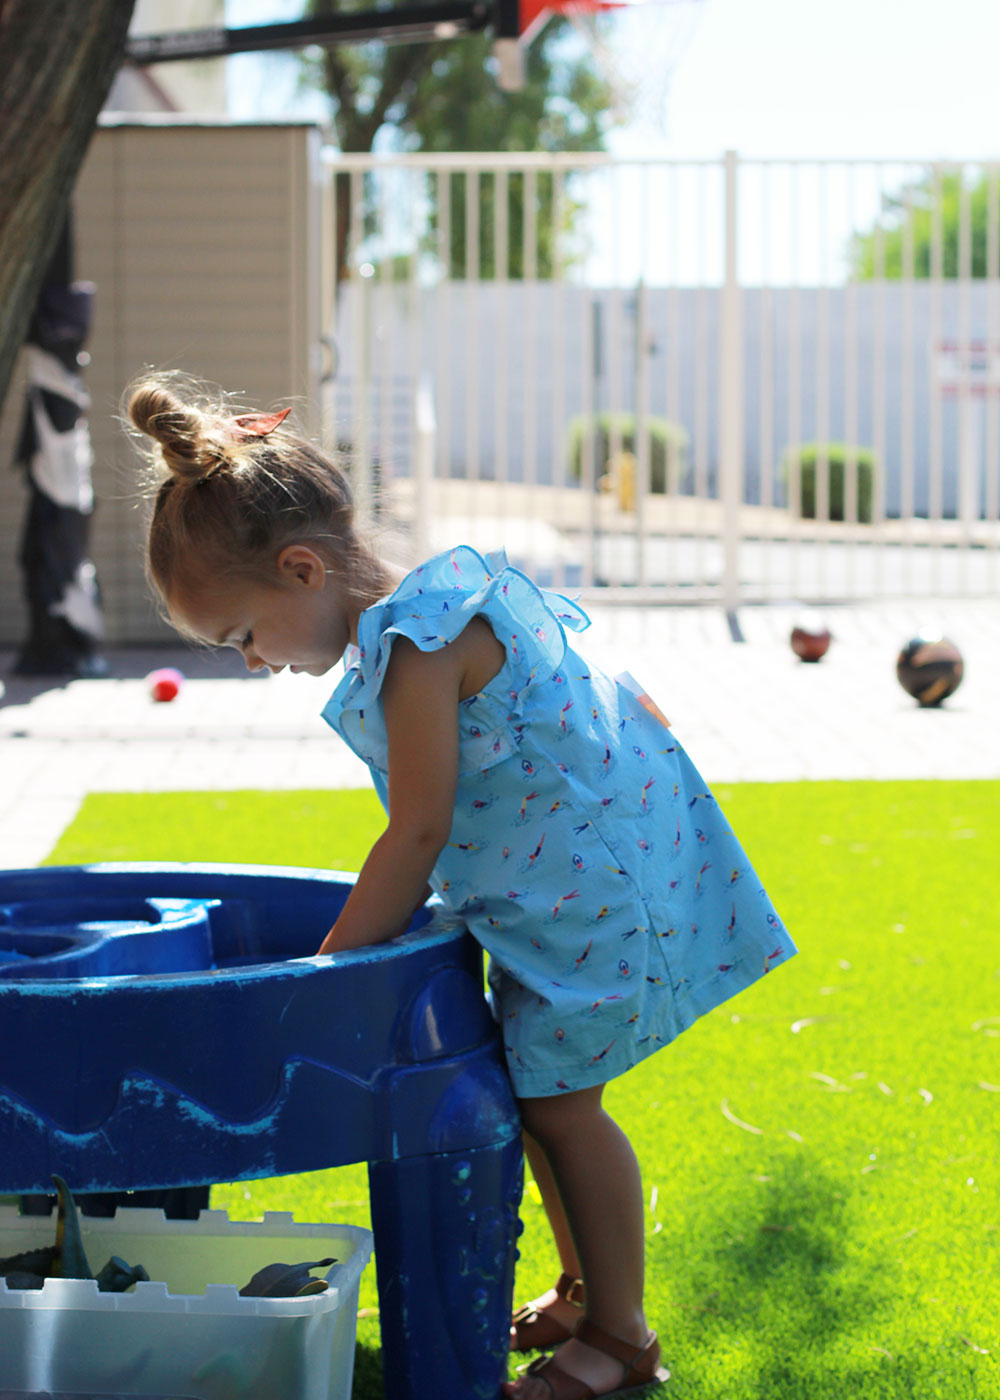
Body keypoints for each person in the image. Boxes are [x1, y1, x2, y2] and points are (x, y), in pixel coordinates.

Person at [127, 372, 797, 1400]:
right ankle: (584, 1288)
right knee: (538, 1094)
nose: (254, 662)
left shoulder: (416, 645)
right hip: (554, 902)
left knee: (565, 1105)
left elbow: (421, 826)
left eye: (243, 636)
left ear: (301, 568)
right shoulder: (418, 620)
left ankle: (621, 1339)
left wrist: (323, 968)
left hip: (595, 901)